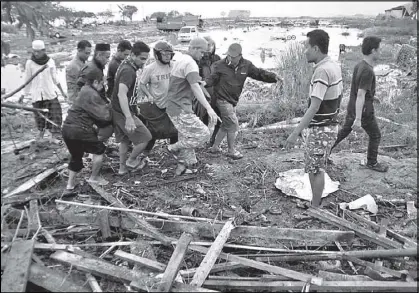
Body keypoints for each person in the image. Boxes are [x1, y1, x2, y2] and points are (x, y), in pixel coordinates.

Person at [284, 29, 343, 208]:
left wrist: (296, 132)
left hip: (321, 130)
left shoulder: (322, 71)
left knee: (315, 170)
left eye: (306, 47)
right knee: (317, 167)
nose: (305, 51)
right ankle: (315, 203)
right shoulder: (333, 65)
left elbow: (314, 106)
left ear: (316, 48)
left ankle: (315, 207)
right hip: (329, 126)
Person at [202, 43, 281, 159]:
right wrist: (205, 82)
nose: (230, 59)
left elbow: (259, 73)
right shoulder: (219, 65)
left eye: (233, 57)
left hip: (232, 100)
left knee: (226, 124)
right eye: (229, 56)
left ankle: (215, 147)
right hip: (221, 99)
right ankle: (231, 151)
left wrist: (274, 77)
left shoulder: (246, 65)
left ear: (240, 55)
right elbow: (212, 78)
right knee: (233, 124)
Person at [331, 36, 388, 172]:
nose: (380, 53)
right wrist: (358, 119)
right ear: (373, 50)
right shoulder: (367, 70)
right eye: (379, 50)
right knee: (375, 135)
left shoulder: (360, 65)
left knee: (344, 132)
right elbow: (361, 94)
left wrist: (373, 97)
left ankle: (322, 153)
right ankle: (372, 163)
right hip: (363, 111)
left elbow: (360, 91)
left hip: (353, 107)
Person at [166, 37, 220, 175]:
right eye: (202, 52)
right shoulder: (191, 63)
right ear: (194, 49)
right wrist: (209, 108)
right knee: (204, 134)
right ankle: (172, 147)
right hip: (179, 107)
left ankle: (186, 165)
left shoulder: (181, 59)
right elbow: (194, 87)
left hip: (175, 105)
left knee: (187, 136)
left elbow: (193, 83)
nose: (203, 56)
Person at [62, 65, 112, 190]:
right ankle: (94, 178)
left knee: (76, 156)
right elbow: (105, 117)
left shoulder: (84, 89)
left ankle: (70, 184)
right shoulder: (92, 94)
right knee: (99, 150)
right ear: (95, 81)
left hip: (67, 129)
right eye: (102, 83)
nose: (103, 86)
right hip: (80, 129)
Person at [111, 41, 152, 175]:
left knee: (124, 140)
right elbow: (121, 93)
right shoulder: (128, 71)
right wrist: (129, 117)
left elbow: (127, 93)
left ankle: (122, 169)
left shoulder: (125, 64)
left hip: (118, 109)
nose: (144, 62)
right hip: (122, 112)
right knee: (145, 137)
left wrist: (134, 106)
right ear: (133, 55)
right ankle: (131, 160)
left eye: (146, 59)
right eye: (142, 58)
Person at [22, 40, 67, 143]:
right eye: (34, 51)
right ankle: (41, 135)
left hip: (49, 93)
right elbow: (27, 79)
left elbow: (55, 78)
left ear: (44, 51)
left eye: (39, 51)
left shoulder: (50, 62)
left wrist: (62, 92)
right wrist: (24, 94)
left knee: (55, 114)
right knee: (39, 116)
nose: (36, 54)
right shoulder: (30, 63)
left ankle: (53, 136)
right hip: (37, 95)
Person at [138, 40, 178, 156]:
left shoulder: (174, 66)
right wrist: (149, 95)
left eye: (169, 54)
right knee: (154, 130)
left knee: (174, 128)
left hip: (172, 103)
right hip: (157, 104)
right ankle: (145, 152)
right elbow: (142, 84)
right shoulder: (150, 69)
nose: (167, 57)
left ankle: (173, 149)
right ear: (157, 55)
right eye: (164, 54)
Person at [77, 43, 113, 142]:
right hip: (90, 106)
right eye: (107, 57)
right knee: (107, 127)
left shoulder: (96, 66)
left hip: (93, 104)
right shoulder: (92, 69)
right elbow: (80, 85)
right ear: (99, 55)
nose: (108, 60)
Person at [192, 36, 222, 146]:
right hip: (203, 93)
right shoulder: (198, 61)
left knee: (219, 117)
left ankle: (213, 140)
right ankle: (202, 140)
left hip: (217, 93)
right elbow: (197, 80)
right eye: (207, 45)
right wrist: (204, 94)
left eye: (211, 45)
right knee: (202, 118)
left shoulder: (217, 59)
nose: (210, 47)